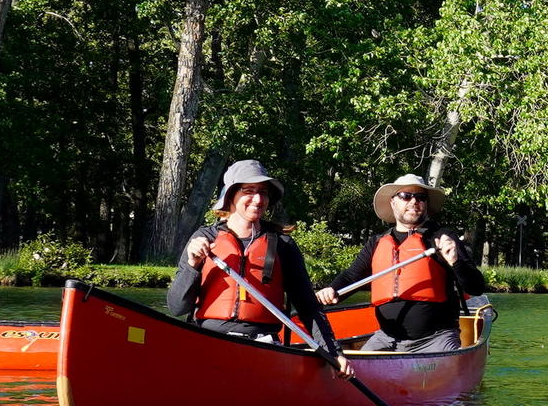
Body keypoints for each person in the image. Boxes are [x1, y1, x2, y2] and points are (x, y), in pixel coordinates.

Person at [167, 160, 353, 378]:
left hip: (262, 347)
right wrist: (193, 265)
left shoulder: (283, 246)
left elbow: (308, 307)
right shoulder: (204, 238)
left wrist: (334, 353)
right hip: (210, 342)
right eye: (249, 191)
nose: (258, 199)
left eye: (263, 192)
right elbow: (176, 307)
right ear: (231, 196)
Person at [315, 173, 485, 352]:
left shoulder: (441, 238)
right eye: (406, 196)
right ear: (392, 202)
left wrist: (456, 262)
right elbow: (351, 276)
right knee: (352, 371)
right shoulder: (377, 242)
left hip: (436, 339)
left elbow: (476, 287)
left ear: (426, 204)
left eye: (420, 197)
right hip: (387, 338)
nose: (413, 202)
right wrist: (332, 290)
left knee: (449, 366)